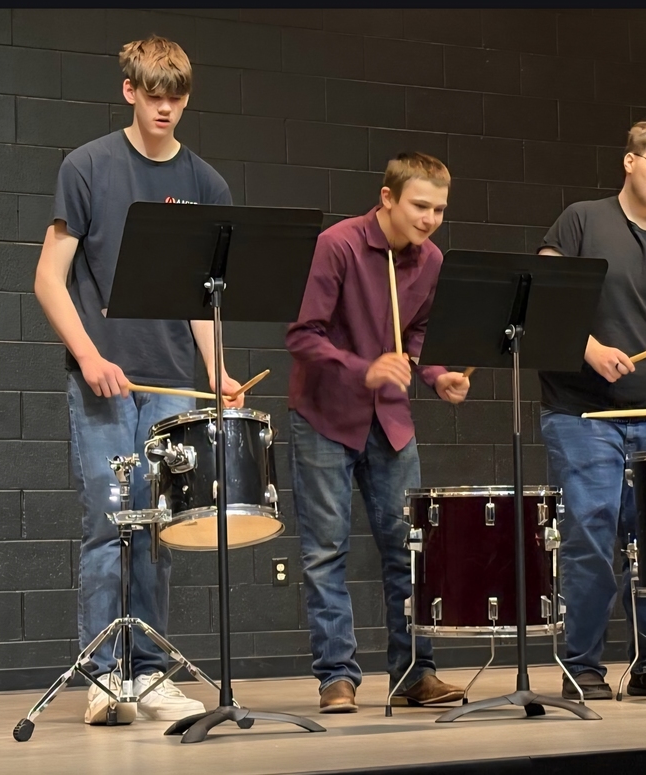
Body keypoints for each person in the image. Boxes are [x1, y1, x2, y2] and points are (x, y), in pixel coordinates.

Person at [35, 35, 245, 725]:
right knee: (109, 521)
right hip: (104, 378)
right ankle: (103, 677)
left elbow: (201, 297)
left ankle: (149, 671)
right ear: (130, 90)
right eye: (153, 95)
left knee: (158, 528)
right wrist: (89, 355)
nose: (165, 108)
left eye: (176, 97)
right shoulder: (87, 166)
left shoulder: (206, 184)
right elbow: (49, 278)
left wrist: (217, 372)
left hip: (169, 383)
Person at [537, 115, 646, 700]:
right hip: (584, 413)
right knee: (591, 530)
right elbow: (546, 295)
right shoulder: (582, 221)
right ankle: (582, 665)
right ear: (630, 161)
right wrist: (588, 350)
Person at [286, 153, 471, 713]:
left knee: (410, 551)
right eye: (420, 205)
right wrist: (361, 367)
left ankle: (416, 672)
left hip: (390, 421)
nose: (430, 218)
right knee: (325, 553)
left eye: (439, 208)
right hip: (326, 415)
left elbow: (416, 336)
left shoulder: (431, 259)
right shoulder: (338, 244)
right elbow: (303, 335)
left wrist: (437, 376)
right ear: (388, 198)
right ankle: (336, 677)